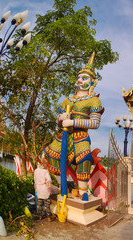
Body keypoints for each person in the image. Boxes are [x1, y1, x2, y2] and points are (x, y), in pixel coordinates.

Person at [43, 52, 104, 201]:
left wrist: (73, 122)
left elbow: (95, 123)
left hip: (80, 135)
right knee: (53, 154)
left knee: (84, 159)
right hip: (64, 135)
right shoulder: (67, 100)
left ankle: (83, 190)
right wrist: (61, 118)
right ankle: (60, 187)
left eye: (84, 78)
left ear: (92, 82)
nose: (79, 80)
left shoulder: (94, 101)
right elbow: (60, 120)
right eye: (79, 78)